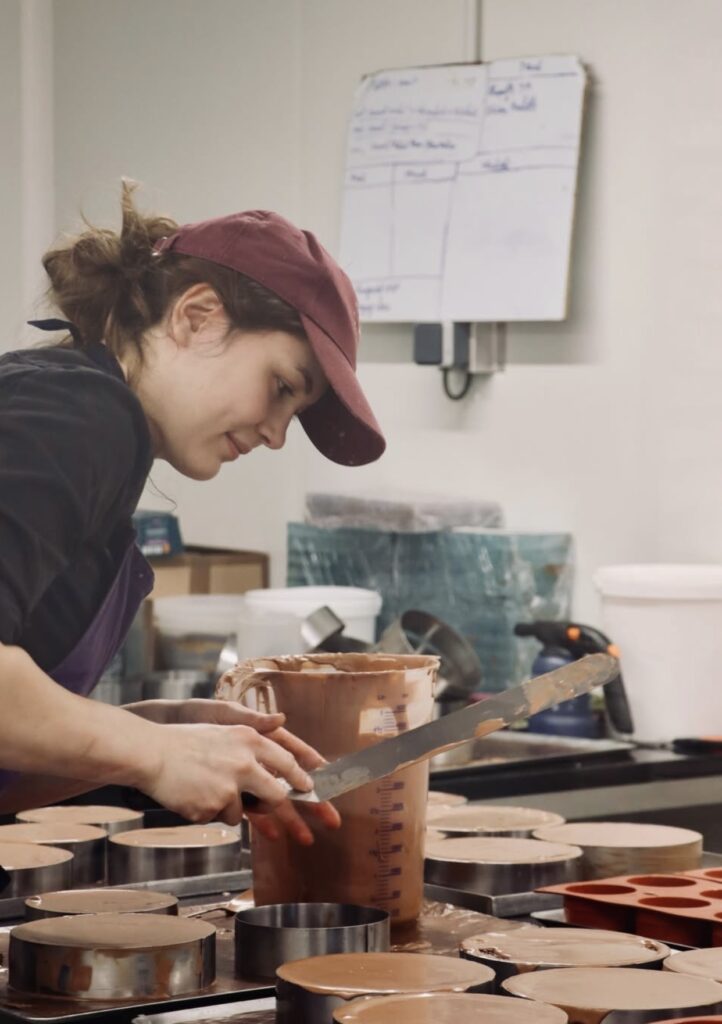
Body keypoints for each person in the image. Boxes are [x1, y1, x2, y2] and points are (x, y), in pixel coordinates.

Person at [0, 182, 385, 844]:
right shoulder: (82, 416)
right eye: (281, 387)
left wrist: (158, 732)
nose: (276, 434)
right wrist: (152, 753)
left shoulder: (80, 420)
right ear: (196, 316)